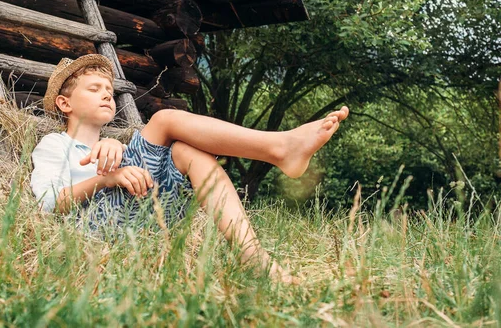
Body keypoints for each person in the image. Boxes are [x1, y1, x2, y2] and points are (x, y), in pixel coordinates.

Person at [30, 54, 349, 284]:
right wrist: (106, 178)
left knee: (187, 151)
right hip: (94, 231)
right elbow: (47, 205)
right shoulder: (55, 145)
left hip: (145, 223)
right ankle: (278, 148)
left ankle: (255, 258)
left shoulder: (119, 148)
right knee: (165, 121)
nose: (106, 93)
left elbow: (130, 167)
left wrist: (117, 160)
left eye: (109, 90)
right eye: (94, 88)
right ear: (64, 104)